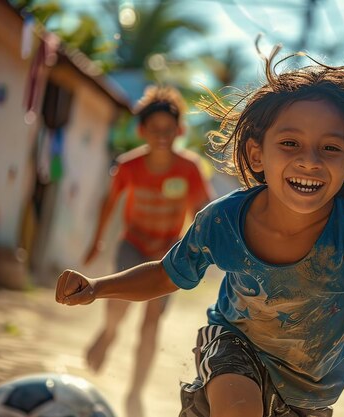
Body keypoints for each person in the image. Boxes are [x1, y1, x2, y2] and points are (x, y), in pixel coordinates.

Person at [56, 45, 344, 417]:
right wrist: (97, 287)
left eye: (329, 148)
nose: (309, 161)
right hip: (233, 346)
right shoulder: (224, 221)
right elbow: (165, 273)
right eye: (290, 143)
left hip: (312, 389)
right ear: (257, 154)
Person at [82, 85, 214, 417]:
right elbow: (109, 202)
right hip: (133, 245)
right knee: (118, 307)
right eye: (153, 130)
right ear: (142, 131)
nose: (161, 136)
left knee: (151, 321)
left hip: (168, 254)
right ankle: (109, 332)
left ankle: (136, 390)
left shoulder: (189, 169)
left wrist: (204, 250)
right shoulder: (129, 166)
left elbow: (204, 211)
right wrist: (96, 241)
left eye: (168, 130)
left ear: (179, 131)